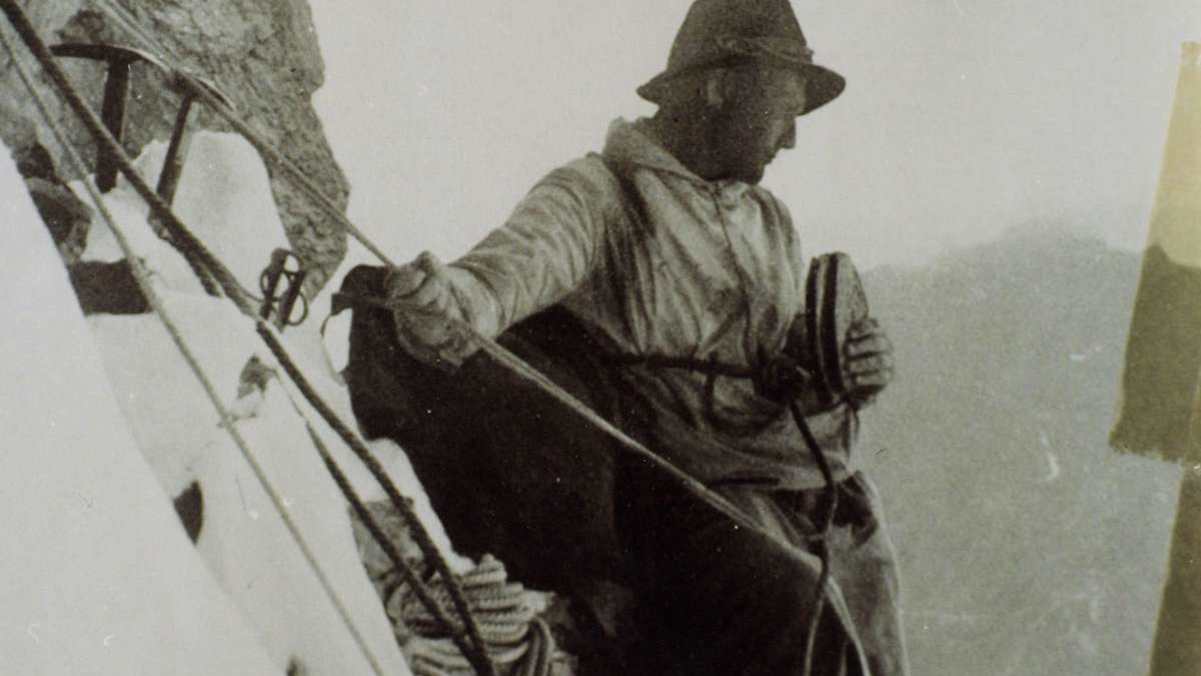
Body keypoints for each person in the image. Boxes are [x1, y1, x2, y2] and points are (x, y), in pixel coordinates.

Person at [375, 1, 908, 673]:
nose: (790, 138)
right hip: (684, 489)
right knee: (793, 601)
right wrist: (441, 303)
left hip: (804, 478)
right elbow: (498, 280)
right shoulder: (596, 196)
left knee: (871, 634)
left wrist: (847, 365)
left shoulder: (769, 219)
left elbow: (778, 352)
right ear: (718, 86)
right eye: (782, 110)